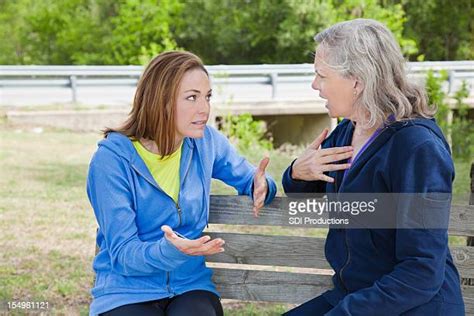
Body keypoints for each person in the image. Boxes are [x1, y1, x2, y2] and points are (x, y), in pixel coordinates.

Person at [282, 19, 465, 315]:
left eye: (321, 75)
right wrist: (297, 172)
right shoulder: (346, 132)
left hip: (411, 305)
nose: (315, 85)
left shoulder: (418, 148)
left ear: (357, 80)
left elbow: (421, 272)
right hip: (356, 296)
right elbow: (306, 193)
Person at [86, 51, 277, 316]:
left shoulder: (205, 142)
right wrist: (171, 250)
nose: (205, 109)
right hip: (127, 291)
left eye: (207, 96)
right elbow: (123, 255)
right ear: (160, 102)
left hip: (190, 287)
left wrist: (262, 185)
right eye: (192, 97)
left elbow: (249, 176)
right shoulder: (111, 161)